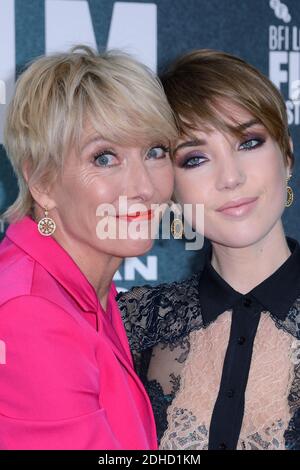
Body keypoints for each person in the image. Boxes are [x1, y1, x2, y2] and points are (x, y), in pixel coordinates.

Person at [117, 49, 300, 450]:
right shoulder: (131, 323)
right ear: (169, 185)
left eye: (249, 142)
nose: (230, 177)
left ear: (286, 155)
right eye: (196, 158)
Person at [0, 45, 178, 450]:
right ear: (42, 183)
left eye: (155, 152)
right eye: (104, 158)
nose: (144, 188)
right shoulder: (30, 314)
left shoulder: (80, 284)